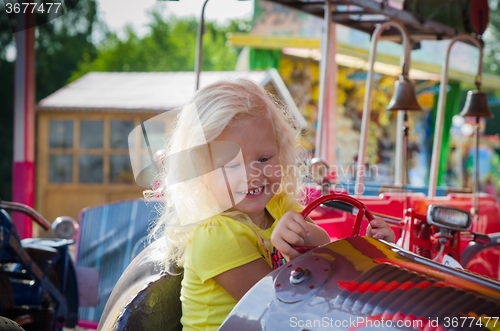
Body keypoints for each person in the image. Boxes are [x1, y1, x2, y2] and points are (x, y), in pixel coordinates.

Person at [148, 78, 395, 331]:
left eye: (264, 158)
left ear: (281, 150)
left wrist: (366, 249)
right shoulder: (216, 238)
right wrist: (292, 255)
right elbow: (279, 310)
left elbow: (327, 255)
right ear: (200, 171)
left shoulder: (279, 207)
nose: (252, 174)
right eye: (231, 165)